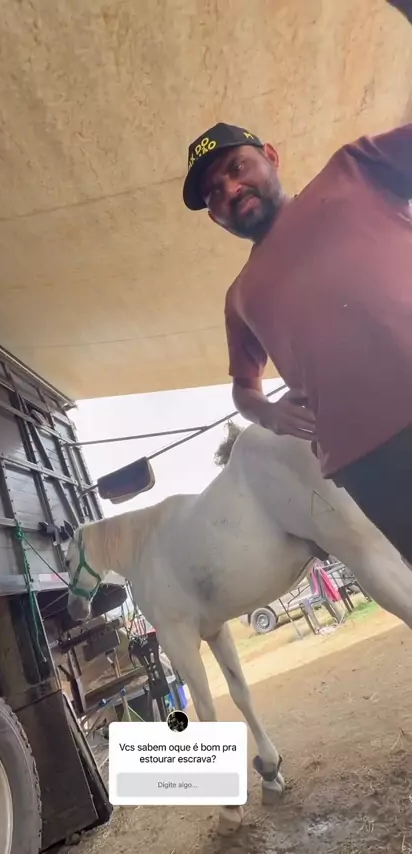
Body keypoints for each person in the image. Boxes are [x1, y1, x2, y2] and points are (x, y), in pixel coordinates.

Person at [182, 0, 412, 563]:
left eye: (236, 168)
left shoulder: (351, 169)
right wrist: (268, 414)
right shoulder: (240, 296)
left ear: (271, 156)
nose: (229, 191)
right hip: (370, 463)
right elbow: (244, 388)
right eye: (213, 194)